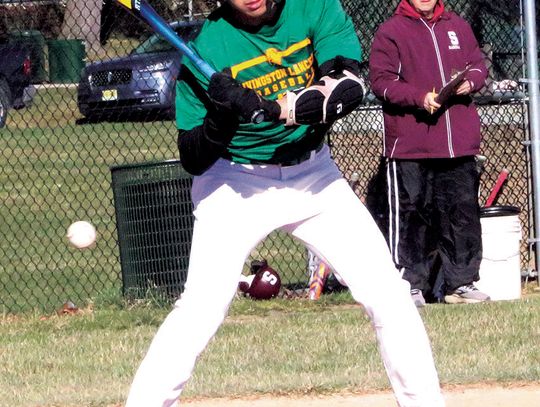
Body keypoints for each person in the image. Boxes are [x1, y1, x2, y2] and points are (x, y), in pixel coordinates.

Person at [125, 1, 445, 406]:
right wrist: (221, 120)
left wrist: (276, 108)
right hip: (234, 179)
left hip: (314, 176)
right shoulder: (208, 47)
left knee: (388, 294)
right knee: (201, 309)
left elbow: (345, 90)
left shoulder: (314, 7)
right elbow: (193, 156)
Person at [369, 0, 490, 307]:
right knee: (411, 216)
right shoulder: (391, 32)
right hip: (412, 145)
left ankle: (460, 283)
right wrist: (419, 98)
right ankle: (409, 285)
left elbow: (477, 65)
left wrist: (470, 82)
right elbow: (381, 82)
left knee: (461, 215)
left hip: (458, 146)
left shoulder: (458, 26)